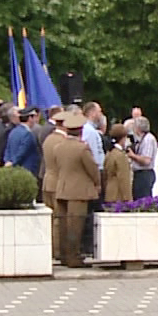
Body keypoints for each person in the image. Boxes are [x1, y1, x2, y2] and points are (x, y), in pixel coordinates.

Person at [43, 108, 100, 268]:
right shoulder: (82, 148)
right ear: (81, 131)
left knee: (62, 224)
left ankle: (63, 254)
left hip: (62, 187)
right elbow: (92, 169)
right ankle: (74, 257)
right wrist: (97, 183)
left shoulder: (58, 147)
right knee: (76, 224)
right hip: (78, 191)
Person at [4, 107, 43, 179]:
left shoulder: (13, 131)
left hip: (15, 170)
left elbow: (7, 149)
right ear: (30, 118)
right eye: (34, 117)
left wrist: (7, 161)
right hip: (27, 170)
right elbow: (22, 152)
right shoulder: (27, 134)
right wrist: (12, 162)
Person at [127, 118, 158, 200]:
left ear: (137, 128)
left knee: (143, 199)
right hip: (140, 174)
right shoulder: (141, 139)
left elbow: (146, 160)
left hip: (145, 174)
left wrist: (132, 156)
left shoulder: (148, 139)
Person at [80, 101, 108, 170]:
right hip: (96, 170)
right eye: (99, 111)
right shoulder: (90, 131)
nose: (101, 114)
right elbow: (94, 154)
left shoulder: (90, 129)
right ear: (93, 113)